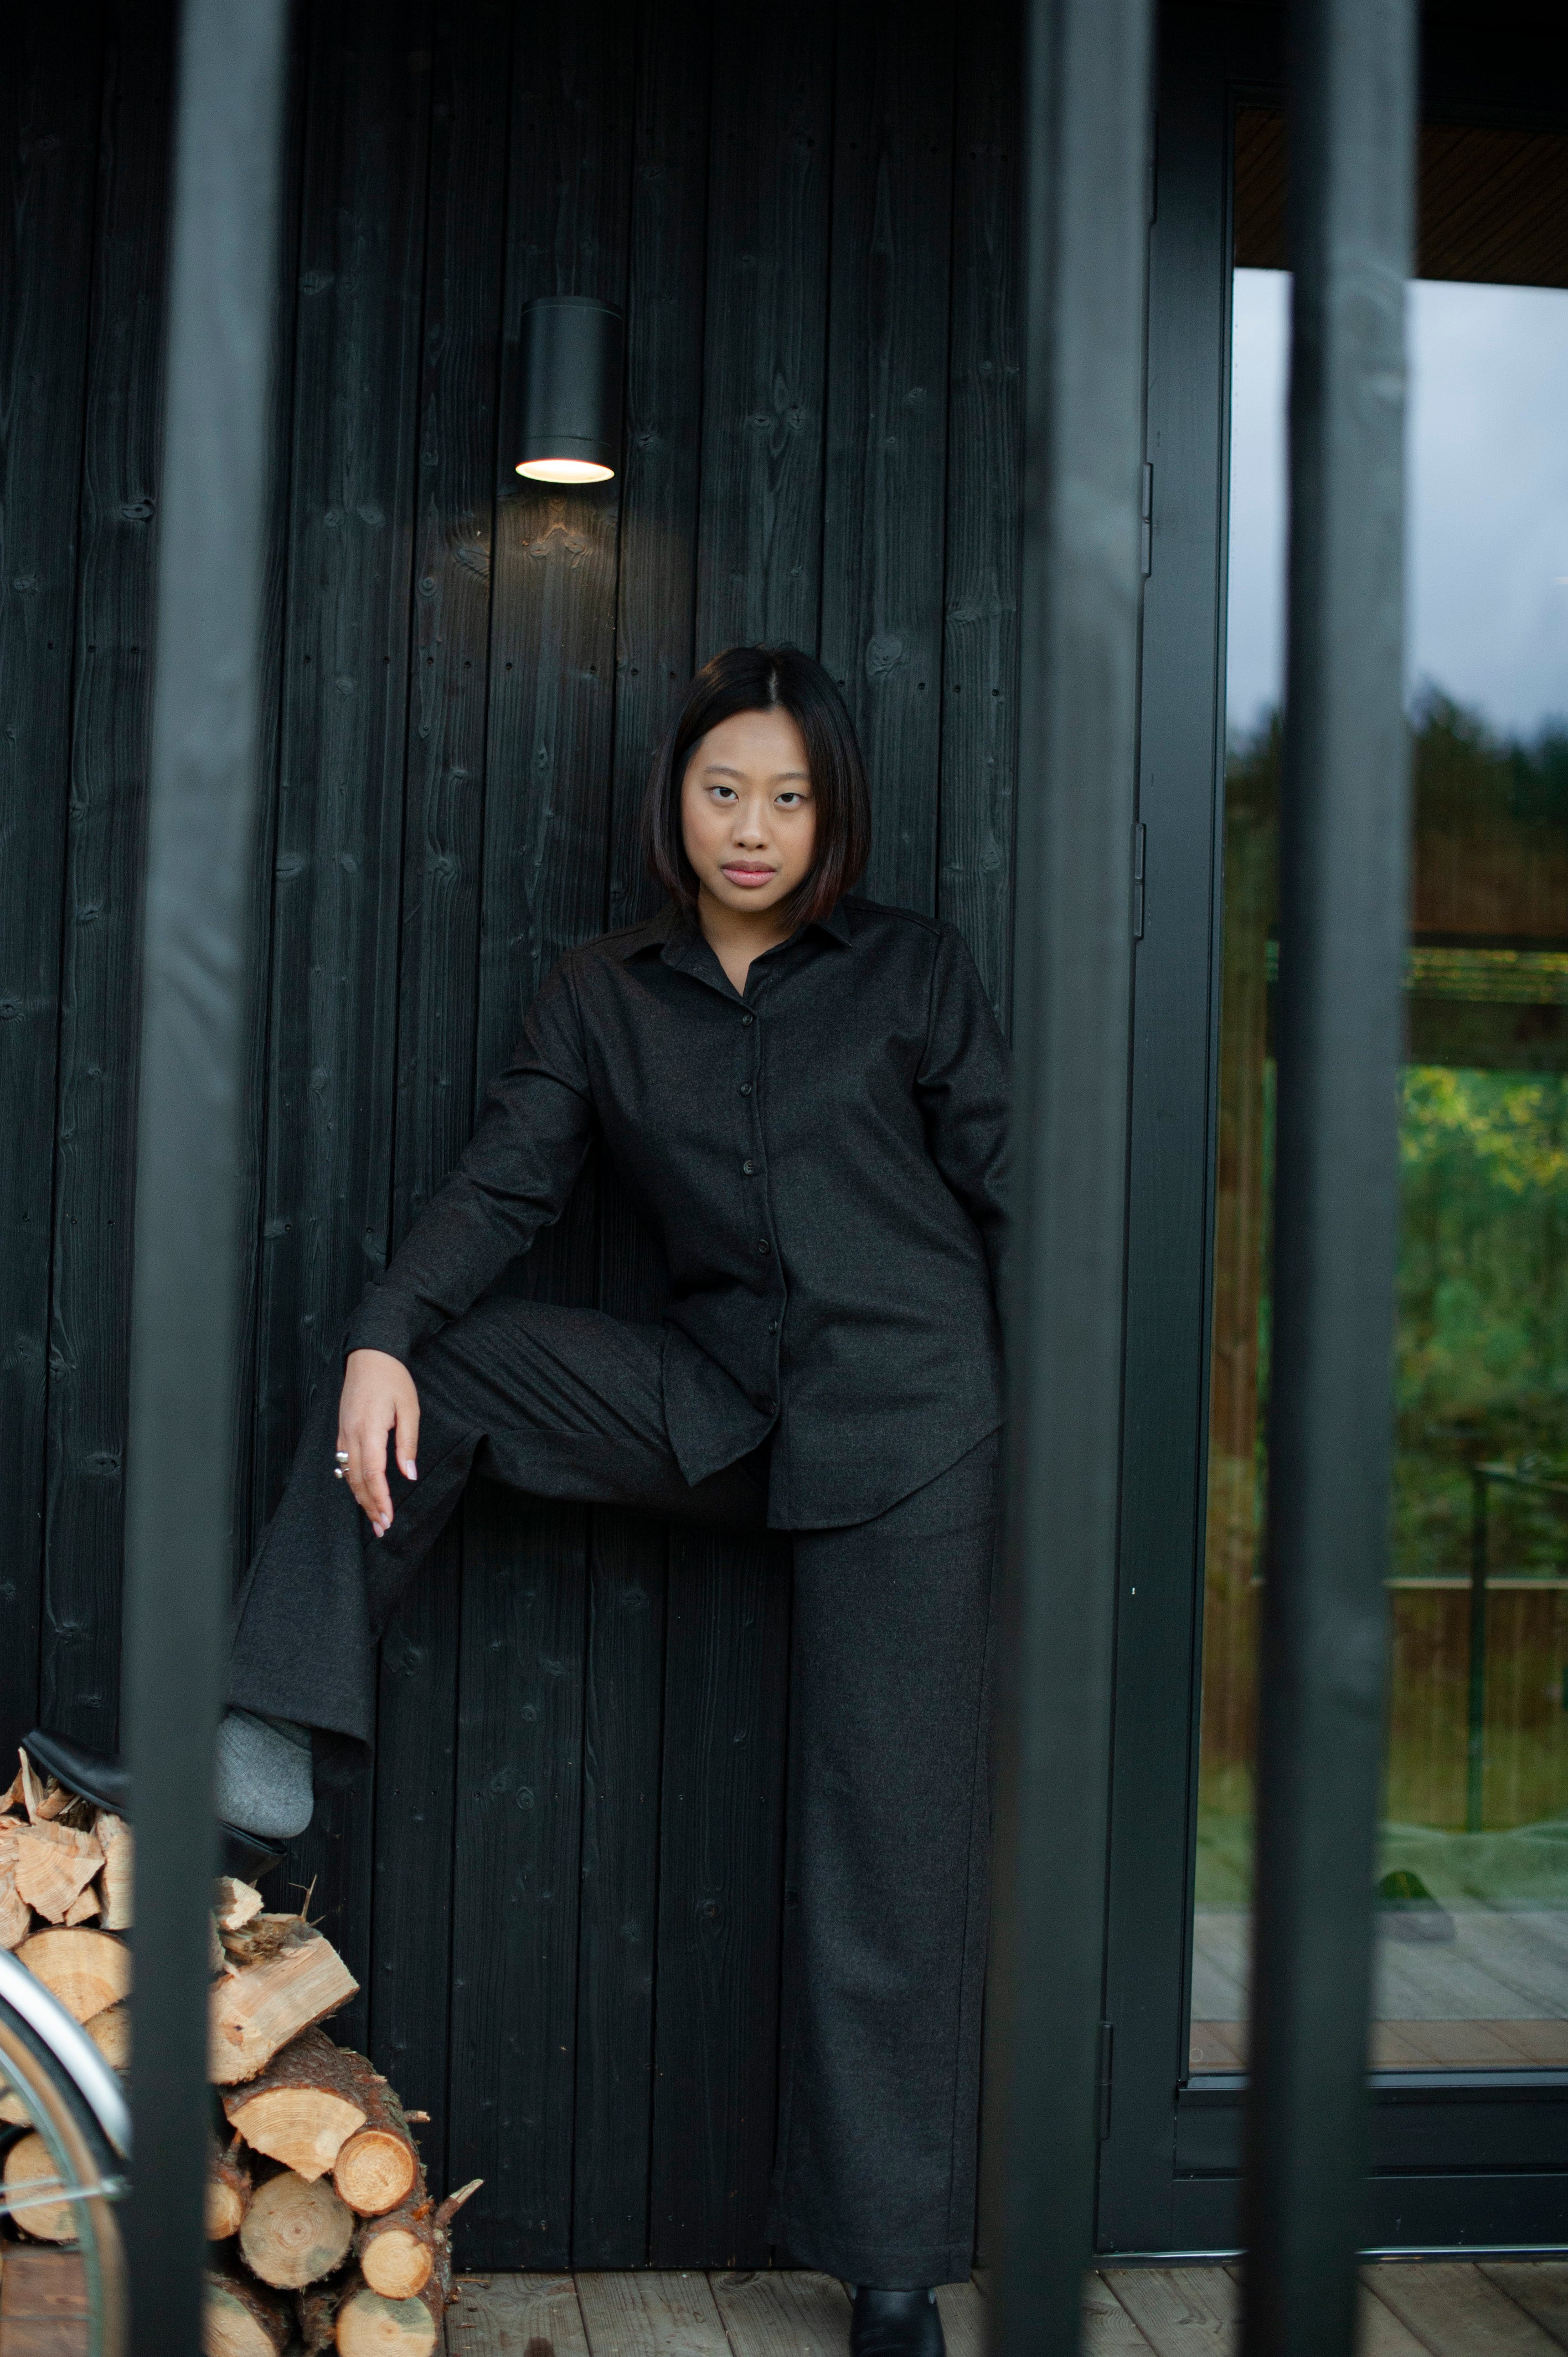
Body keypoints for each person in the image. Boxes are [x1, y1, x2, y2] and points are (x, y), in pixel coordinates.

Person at [56, 645, 1009, 2351]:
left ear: (832, 813)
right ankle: (261, 1750)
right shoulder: (603, 992)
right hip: (721, 1407)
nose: (754, 827)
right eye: (725, 790)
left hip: (914, 1436)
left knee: (888, 1852)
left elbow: (1024, 1206)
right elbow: (506, 1184)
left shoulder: (915, 974)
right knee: (440, 1369)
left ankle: (888, 2270)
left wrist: (1043, 1449)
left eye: (790, 797)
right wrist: (381, 1335)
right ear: (676, 801)